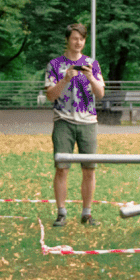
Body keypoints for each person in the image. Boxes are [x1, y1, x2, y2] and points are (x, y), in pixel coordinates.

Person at [44, 24, 105, 226]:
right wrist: (65, 78)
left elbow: (100, 93)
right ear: (68, 39)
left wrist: (90, 78)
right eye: (74, 38)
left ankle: (86, 213)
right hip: (63, 120)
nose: (78, 42)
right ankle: (61, 212)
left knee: (89, 169)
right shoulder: (55, 64)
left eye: (81, 39)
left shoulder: (92, 64)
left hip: (88, 121)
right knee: (62, 168)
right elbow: (50, 95)